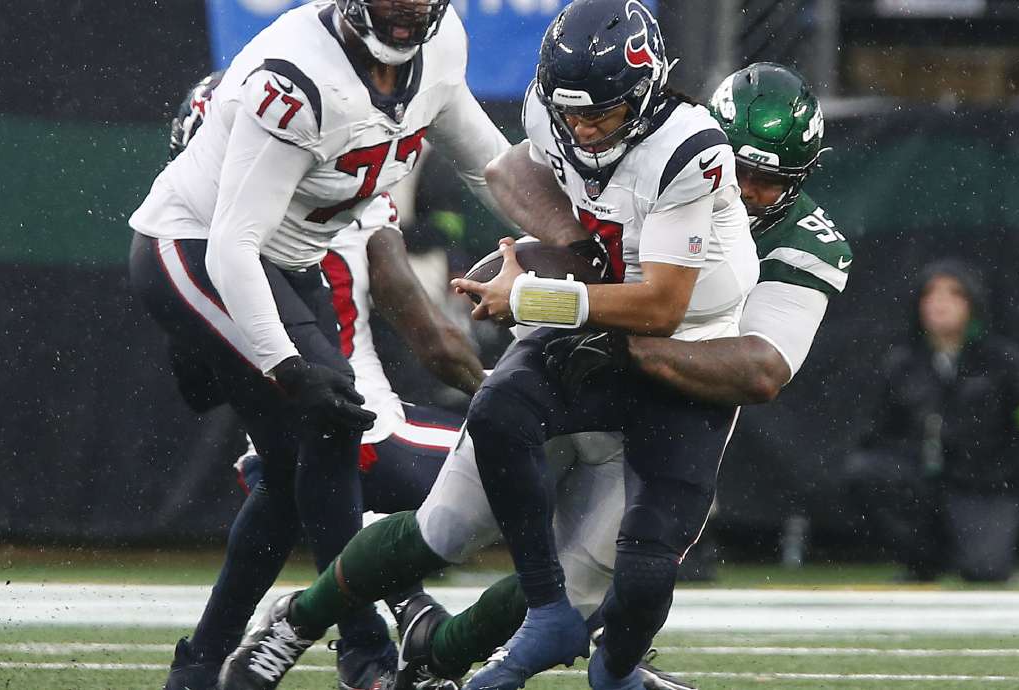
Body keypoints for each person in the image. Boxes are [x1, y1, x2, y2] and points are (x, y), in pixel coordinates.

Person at [216, 56, 849, 690]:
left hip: (662, 413)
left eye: (771, 181)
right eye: (740, 170)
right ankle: (298, 619)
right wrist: (581, 250)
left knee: (578, 588)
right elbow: (509, 169)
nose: (749, 191)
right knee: (446, 528)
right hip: (570, 372)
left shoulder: (803, 242)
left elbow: (759, 368)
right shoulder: (654, 154)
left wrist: (626, 344)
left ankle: (436, 657)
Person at [127, 0, 510, 687]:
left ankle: (208, 664)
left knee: (294, 469)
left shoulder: (427, 62)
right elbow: (229, 255)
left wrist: (570, 243)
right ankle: (369, 645)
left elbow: (495, 170)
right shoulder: (293, 82)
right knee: (328, 429)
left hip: (283, 273)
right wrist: (287, 365)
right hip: (211, 255)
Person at [846, 259, 1019, 584]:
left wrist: (999, 473)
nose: (939, 303)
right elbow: (875, 433)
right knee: (867, 472)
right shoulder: (901, 364)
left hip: (983, 484)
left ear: (973, 303)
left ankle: (978, 550)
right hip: (920, 481)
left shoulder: (1007, 361)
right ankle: (923, 561)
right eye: (930, 294)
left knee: (985, 572)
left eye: (954, 293)